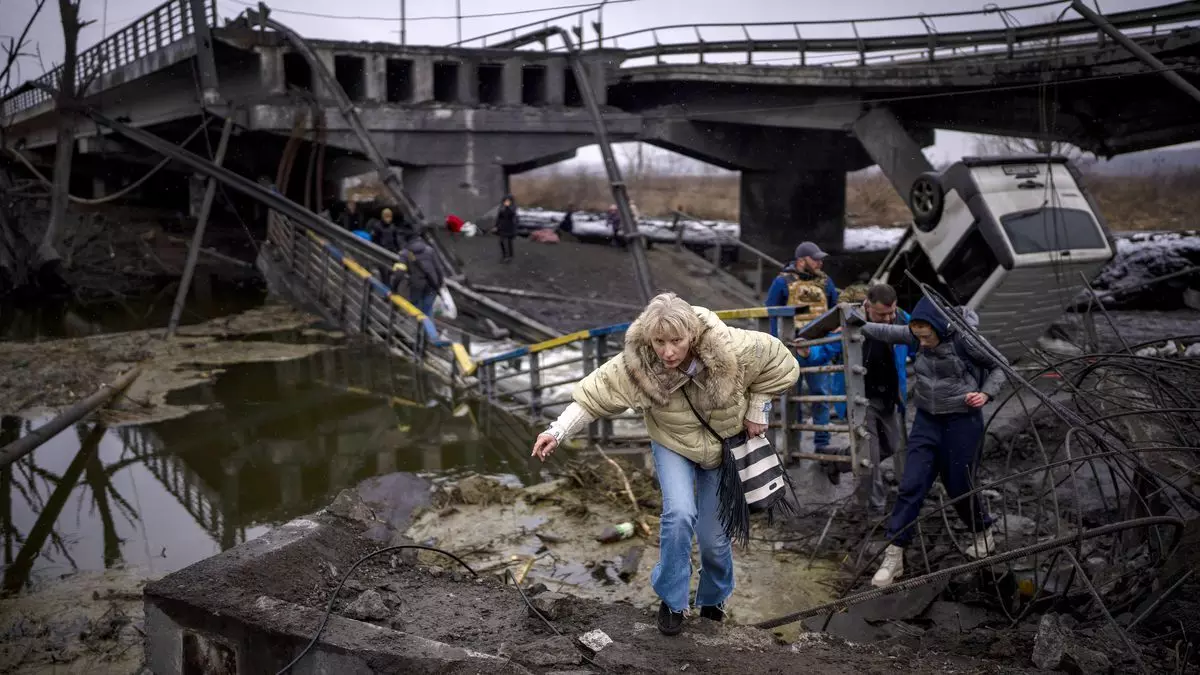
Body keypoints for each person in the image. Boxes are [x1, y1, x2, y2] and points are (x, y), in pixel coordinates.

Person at [531, 293, 799, 636]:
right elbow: (596, 393)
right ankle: (672, 600)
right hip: (673, 444)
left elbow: (782, 362)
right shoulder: (638, 361)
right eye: (659, 342)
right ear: (649, 338)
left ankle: (713, 600)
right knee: (679, 516)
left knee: (714, 539)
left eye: (676, 341)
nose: (668, 351)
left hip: (722, 447)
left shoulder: (731, 345)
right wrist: (557, 431)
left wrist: (758, 406)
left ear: (693, 335)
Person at [851, 296, 1007, 587]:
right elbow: (883, 331)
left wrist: (985, 394)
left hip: (963, 421)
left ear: (940, 327)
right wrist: (852, 320)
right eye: (917, 336)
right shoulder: (914, 334)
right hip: (927, 420)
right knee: (911, 484)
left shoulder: (966, 340)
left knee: (959, 485)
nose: (921, 342)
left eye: (926, 336)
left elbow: (1000, 366)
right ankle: (894, 556)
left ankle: (983, 532)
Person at [794, 284, 911, 505]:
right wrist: (808, 352)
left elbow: (920, 334)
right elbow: (828, 348)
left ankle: (836, 461)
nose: (889, 318)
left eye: (892, 312)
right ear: (868, 305)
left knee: (892, 445)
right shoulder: (851, 320)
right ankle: (872, 510)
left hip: (889, 397)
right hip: (860, 399)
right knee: (869, 456)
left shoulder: (901, 318)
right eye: (882, 314)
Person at [764, 241, 841, 464]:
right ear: (801, 260)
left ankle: (822, 447)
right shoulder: (782, 281)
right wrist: (776, 346)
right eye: (815, 258)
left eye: (820, 259)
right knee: (791, 399)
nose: (820, 262)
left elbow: (834, 310)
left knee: (820, 396)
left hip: (819, 345)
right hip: (791, 346)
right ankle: (793, 449)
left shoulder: (826, 281)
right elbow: (771, 314)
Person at [393, 230, 444, 316]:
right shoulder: (429, 250)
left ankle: (419, 328)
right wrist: (439, 284)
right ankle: (429, 328)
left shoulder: (405, 253)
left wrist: (394, 288)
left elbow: (399, 273)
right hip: (432, 284)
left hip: (417, 285)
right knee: (427, 312)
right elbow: (438, 269)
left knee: (417, 312)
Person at [495, 195, 518, 262]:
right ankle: (505, 255)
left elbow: (512, 215)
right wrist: (496, 226)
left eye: (508, 201)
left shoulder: (512, 208)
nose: (506, 202)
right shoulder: (501, 208)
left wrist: (507, 207)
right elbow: (499, 218)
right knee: (502, 241)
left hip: (510, 227)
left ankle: (509, 256)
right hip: (502, 227)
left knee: (508, 242)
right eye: (505, 201)